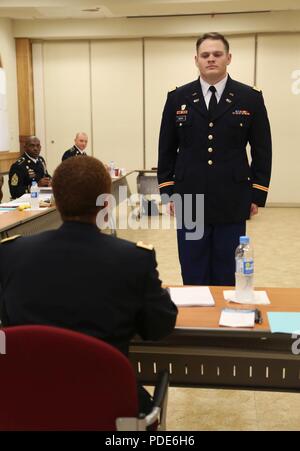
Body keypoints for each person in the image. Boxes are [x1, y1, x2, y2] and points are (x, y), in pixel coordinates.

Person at [0, 155, 178, 414]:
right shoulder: (132, 260)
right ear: (106, 203)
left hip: (30, 405)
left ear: (56, 202)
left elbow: (8, 322)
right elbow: (159, 327)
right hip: (106, 407)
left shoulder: (11, 254)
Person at [158, 32, 272, 286]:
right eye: (205, 55)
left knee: (226, 270)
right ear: (196, 60)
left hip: (232, 196)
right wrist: (168, 193)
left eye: (217, 54)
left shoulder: (249, 97)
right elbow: (166, 149)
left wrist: (256, 194)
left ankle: (223, 322)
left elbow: (262, 150)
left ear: (228, 58)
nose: (211, 59)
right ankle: (198, 322)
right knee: (192, 268)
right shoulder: (178, 98)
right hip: (189, 198)